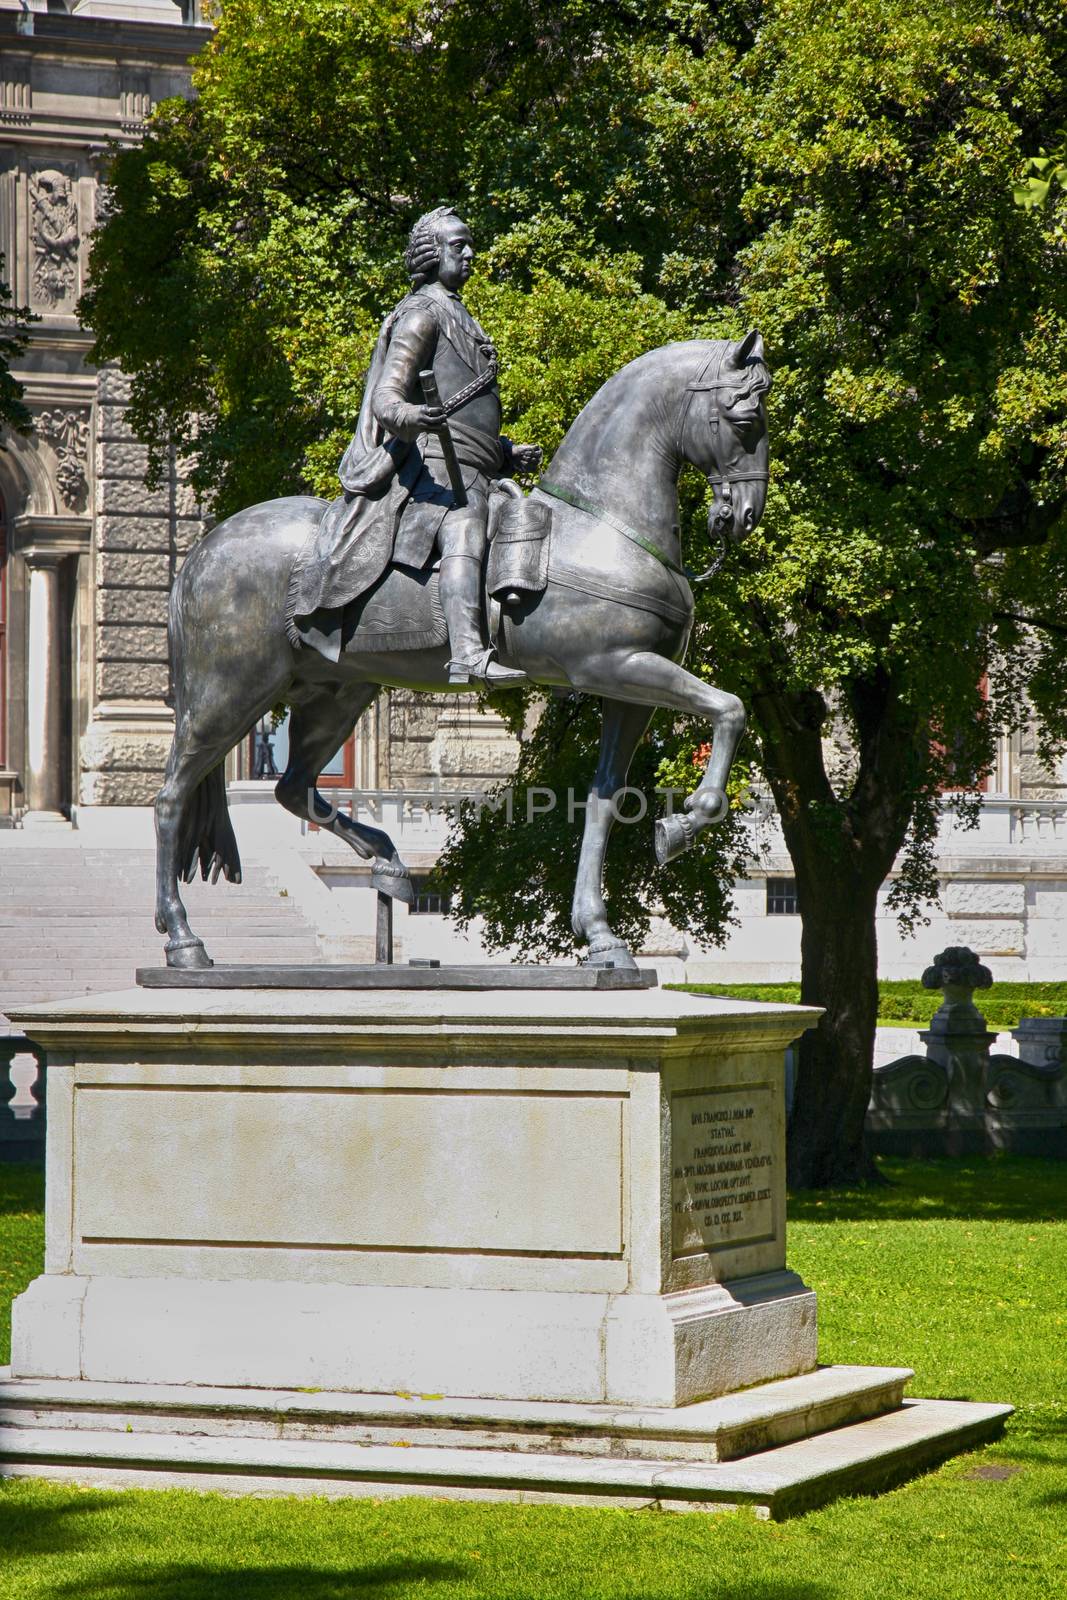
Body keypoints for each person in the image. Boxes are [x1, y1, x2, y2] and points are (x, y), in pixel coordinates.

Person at [286, 206, 541, 685]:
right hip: (433, 468)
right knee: (464, 526)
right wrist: (415, 416)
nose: (470, 253)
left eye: (469, 244)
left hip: (475, 465)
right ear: (431, 253)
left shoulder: (460, 315)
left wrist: (505, 452)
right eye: (458, 245)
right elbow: (387, 397)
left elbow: (469, 412)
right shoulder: (422, 314)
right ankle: (467, 651)